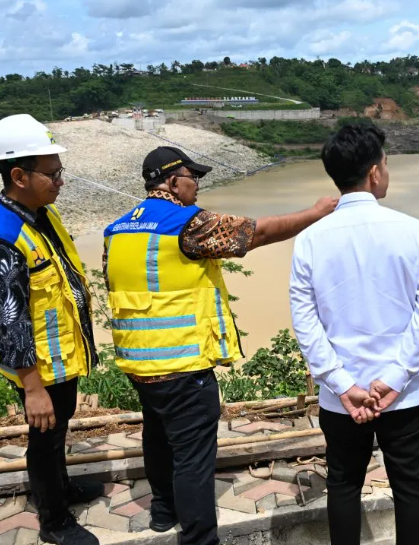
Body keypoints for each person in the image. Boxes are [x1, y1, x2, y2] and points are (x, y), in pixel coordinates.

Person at [103, 146, 336, 545]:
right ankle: (199, 539)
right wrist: (314, 213)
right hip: (182, 360)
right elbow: (256, 233)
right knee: (193, 459)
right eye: (194, 178)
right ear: (174, 181)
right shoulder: (187, 224)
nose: (198, 186)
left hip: (140, 361)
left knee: (157, 438)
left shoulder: (117, 229)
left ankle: (162, 513)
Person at [289, 124, 419, 545]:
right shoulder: (413, 230)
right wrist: (394, 379)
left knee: (343, 484)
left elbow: (305, 322)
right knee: (409, 484)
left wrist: (341, 384)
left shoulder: (310, 240)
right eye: (387, 163)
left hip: (343, 399)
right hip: (406, 392)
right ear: (375, 172)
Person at [0, 114, 102, 545]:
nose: (60, 181)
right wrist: (33, 389)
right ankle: (54, 521)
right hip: (39, 367)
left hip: (59, 355)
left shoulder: (38, 213)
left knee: (58, 431)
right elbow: (8, 322)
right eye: (52, 173)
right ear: (19, 175)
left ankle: (61, 489)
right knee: (44, 440)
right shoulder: (0, 239)